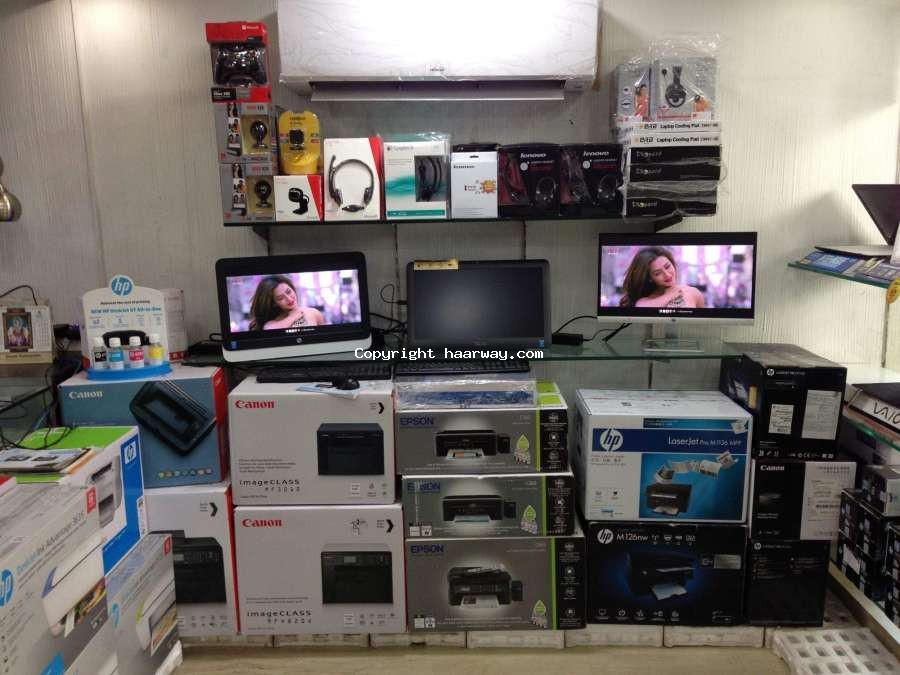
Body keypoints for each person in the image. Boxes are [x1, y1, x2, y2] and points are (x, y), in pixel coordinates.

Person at [619, 247, 706, 308]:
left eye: (667, 266)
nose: (667, 275)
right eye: (658, 273)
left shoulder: (693, 293)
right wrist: (672, 294)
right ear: (650, 278)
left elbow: (701, 325)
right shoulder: (644, 302)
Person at [248, 275, 326, 330]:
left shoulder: (314, 313)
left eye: (288, 291)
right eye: (280, 298)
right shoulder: (271, 324)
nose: (289, 299)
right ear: (274, 303)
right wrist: (293, 317)